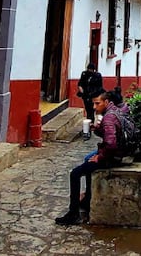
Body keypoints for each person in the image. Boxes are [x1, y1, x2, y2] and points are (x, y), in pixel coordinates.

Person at [55, 91, 130, 225]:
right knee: (87, 161)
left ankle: (73, 214)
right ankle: (87, 200)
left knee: (75, 174)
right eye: (93, 104)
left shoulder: (108, 118)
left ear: (106, 102)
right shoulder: (114, 111)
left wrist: (99, 157)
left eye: (97, 103)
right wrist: (97, 128)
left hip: (112, 157)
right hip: (118, 153)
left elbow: (111, 144)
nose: (94, 107)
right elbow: (110, 135)